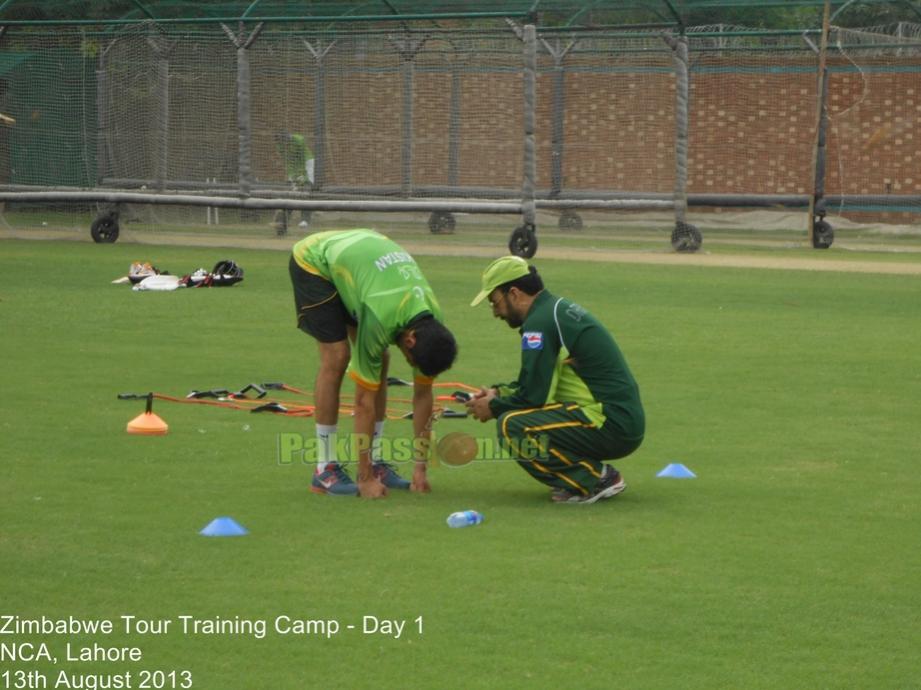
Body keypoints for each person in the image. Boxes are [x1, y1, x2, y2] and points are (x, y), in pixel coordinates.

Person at [290, 229, 458, 498]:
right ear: (411, 341)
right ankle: (324, 469)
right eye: (411, 360)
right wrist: (364, 480)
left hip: (363, 269)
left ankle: (375, 462)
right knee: (337, 356)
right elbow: (362, 402)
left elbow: (423, 395)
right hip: (315, 262)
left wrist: (420, 468)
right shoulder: (382, 317)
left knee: (378, 359)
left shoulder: (431, 321)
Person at [466, 256, 644, 504]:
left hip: (610, 422)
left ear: (514, 293)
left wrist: (494, 407)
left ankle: (596, 480)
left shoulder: (539, 324)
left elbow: (534, 396)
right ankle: (591, 477)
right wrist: (498, 393)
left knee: (512, 426)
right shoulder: (552, 312)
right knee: (517, 419)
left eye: (494, 301)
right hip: (619, 420)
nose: (495, 311)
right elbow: (536, 382)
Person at [274, 132, 314, 235]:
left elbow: (301, 141)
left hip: (307, 163)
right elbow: (288, 163)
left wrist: (303, 176)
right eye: (282, 142)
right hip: (295, 167)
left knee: (305, 192)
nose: (284, 144)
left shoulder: (297, 140)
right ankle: (283, 222)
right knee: (291, 193)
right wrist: (293, 177)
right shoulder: (280, 147)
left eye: (286, 141)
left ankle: (305, 220)